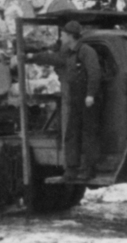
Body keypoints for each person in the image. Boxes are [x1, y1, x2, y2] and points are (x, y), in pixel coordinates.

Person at [28, 21, 101, 181]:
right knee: (72, 133)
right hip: (75, 97)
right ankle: (72, 169)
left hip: (87, 99)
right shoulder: (68, 53)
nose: (61, 37)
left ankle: (89, 169)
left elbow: (94, 73)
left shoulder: (86, 51)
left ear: (70, 36)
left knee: (88, 134)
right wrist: (32, 57)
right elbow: (53, 58)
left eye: (63, 35)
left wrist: (90, 94)